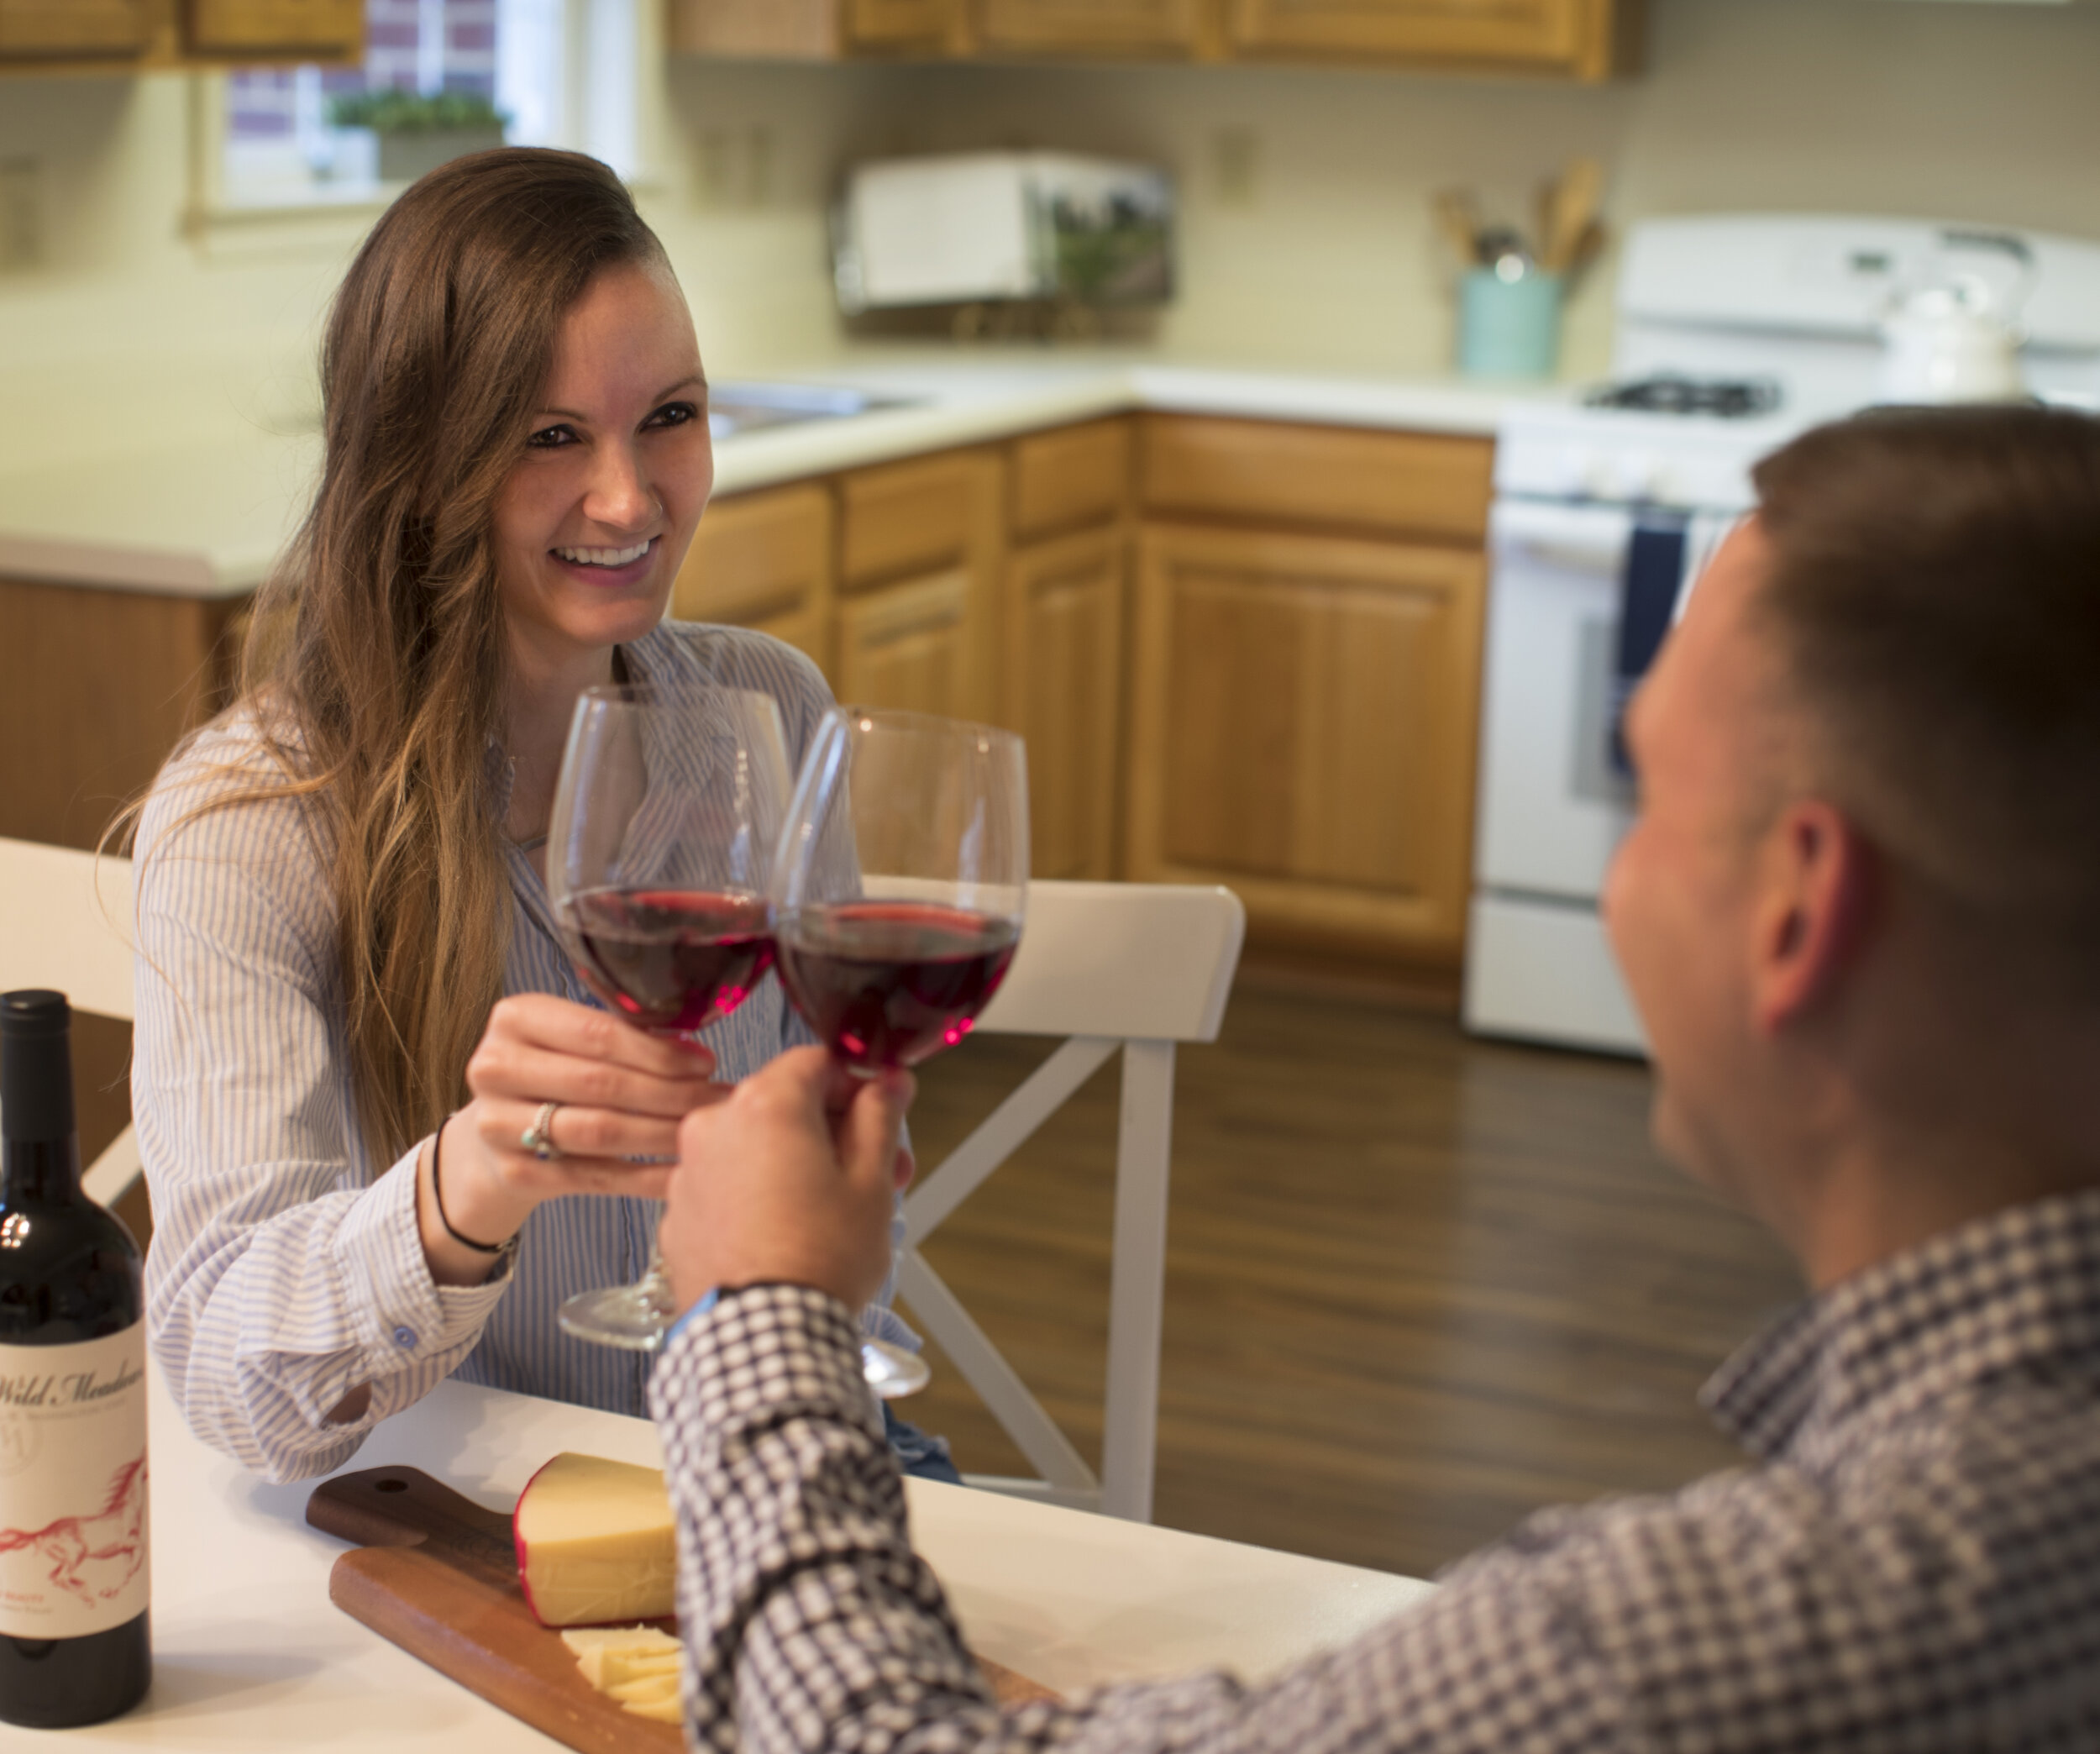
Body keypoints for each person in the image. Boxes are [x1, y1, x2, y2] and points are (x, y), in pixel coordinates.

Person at [645, 403, 2100, 1750]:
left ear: (1798, 911)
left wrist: (758, 1315)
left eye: (1650, 792)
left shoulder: (1703, 1646)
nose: (1619, 873)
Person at [129, 148, 946, 1487]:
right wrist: (464, 1189)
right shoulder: (251, 823)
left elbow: (839, 1171)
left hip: (776, 1465)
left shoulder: (770, 713)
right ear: (420, 463)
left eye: (670, 416)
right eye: (548, 436)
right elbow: (229, 1374)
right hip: (462, 1518)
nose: (629, 499)